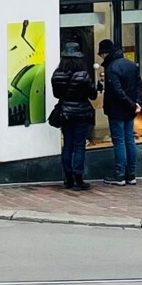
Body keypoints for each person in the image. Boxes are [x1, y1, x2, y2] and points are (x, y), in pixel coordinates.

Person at [47, 43, 96, 191]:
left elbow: (57, 94)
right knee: (79, 145)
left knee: (67, 144)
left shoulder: (57, 74)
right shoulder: (83, 74)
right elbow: (92, 95)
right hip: (81, 112)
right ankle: (78, 178)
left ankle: (68, 178)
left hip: (65, 112)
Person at [100, 43, 142, 186]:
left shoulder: (112, 68)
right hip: (129, 110)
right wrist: (137, 102)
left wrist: (131, 103)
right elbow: (139, 85)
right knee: (129, 140)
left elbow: (117, 91)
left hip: (117, 109)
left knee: (119, 141)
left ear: (106, 54)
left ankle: (120, 175)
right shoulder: (131, 65)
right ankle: (131, 174)